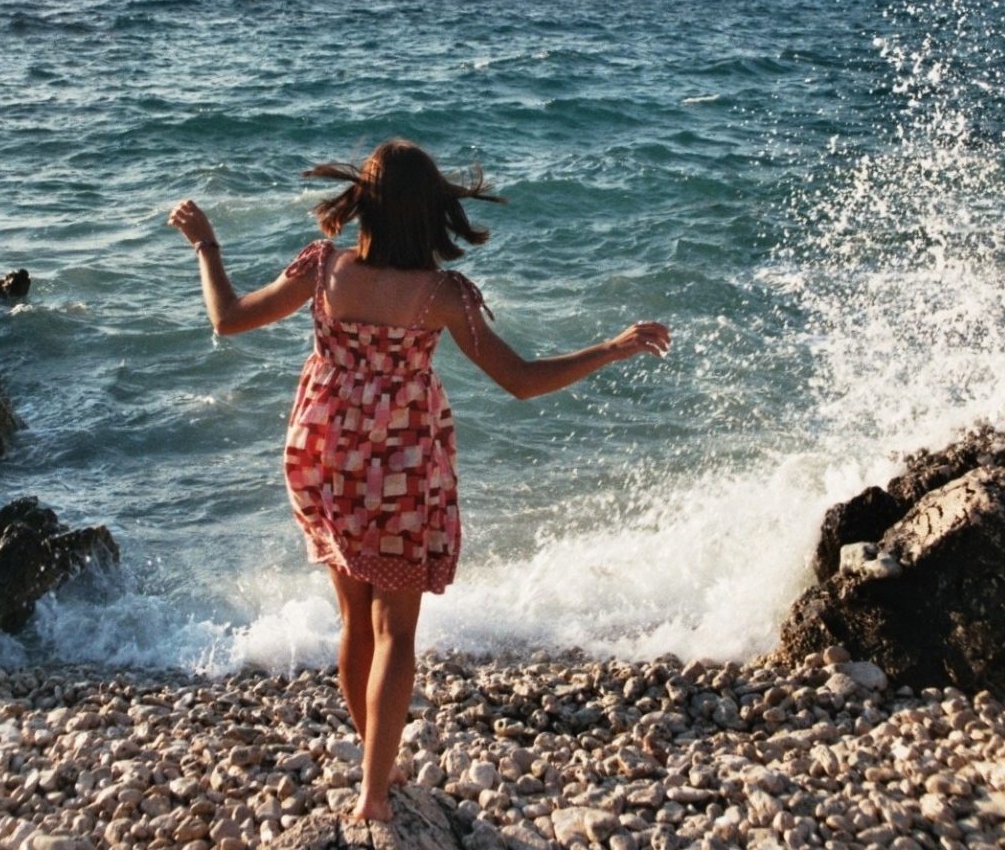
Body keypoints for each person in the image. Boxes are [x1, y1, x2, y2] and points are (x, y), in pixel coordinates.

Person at [167, 139, 670, 823]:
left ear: (364, 204)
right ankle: (375, 792)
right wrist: (611, 347)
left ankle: (377, 763)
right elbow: (521, 381)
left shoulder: (323, 270)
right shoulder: (442, 295)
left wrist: (207, 246)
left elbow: (228, 318)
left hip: (325, 459)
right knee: (396, 633)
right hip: (400, 467)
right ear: (431, 213)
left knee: (355, 621)